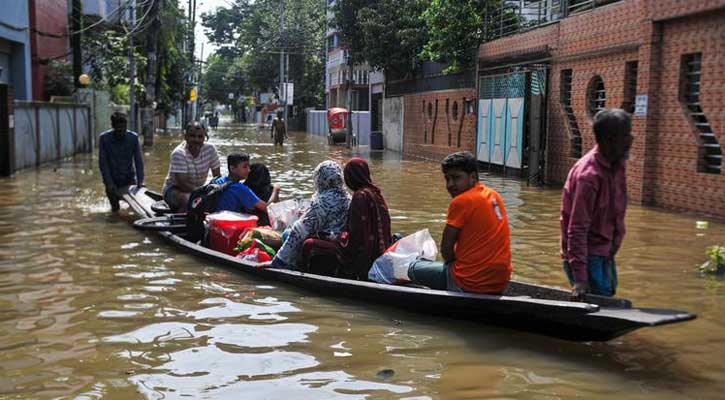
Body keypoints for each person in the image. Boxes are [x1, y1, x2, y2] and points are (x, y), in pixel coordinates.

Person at [407, 151, 513, 294]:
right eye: (447, 179)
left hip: (468, 282)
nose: (450, 184)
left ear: (473, 177)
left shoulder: (461, 201)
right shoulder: (494, 195)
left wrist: (452, 265)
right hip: (500, 281)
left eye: (456, 178)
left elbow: (446, 250)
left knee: (412, 267)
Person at [561, 108, 633, 300]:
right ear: (610, 140)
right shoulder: (588, 177)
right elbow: (576, 229)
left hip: (605, 251)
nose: (631, 140)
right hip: (587, 254)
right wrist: (580, 279)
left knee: (608, 295)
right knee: (600, 301)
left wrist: (612, 249)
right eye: (626, 135)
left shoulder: (617, 165)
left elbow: (618, 213)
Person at [269, 160, 351, 270]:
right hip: (339, 241)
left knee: (287, 233)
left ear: (319, 178)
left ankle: (291, 265)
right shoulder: (348, 198)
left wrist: (278, 261)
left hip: (327, 240)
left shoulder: (321, 201)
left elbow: (299, 230)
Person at [335, 158, 392, 280]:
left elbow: (354, 235)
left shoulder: (359, 196)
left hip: (365, 261)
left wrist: (337, 239)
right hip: (383, 254)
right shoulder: (376, 193)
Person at [162, 122, 221, 212]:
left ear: (205, 137)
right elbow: (183, 185)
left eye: (200, 137)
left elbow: (217, 176)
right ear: (185, 137)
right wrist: (204, 195)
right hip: (174, 190)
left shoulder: (210, 149)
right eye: (192, 136)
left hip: (198, 190)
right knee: (188, 200)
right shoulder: (178, 153)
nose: (196, 140)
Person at [98, 112, 144, 212]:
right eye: (118, 129)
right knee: (115, 210)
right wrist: (109, 184)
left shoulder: (133, 138)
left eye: (123, 128)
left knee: (134, 209)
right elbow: (103, 164)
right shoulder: (104, 139)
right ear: (113, 127)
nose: (121, 131)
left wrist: (140, 182)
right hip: (112, 180)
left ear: (126, 126)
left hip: (129, 179)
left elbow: (139, 162)